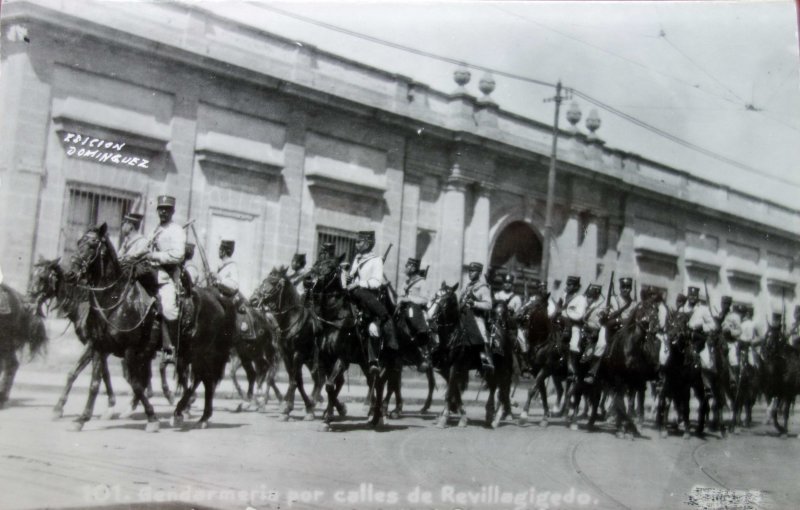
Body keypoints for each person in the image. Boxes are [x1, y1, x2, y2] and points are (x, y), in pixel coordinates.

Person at [345, 230, 397, 373]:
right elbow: (351, 277)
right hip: (353, 294)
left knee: (372, 328)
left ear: (368, 243)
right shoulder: (357, 258)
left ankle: (373, 360)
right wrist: (349, 278)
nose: (356, 244)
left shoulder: (376, 260)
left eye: (359, 242)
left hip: (368, 297)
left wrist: (359, 283)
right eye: (356, 241)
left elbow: (376, 282)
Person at [146, 195, 186, 362]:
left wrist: (154, 255)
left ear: (172, 211)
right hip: (149, 274)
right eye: (161, 208)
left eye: (167, 209)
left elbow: (178, 255)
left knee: (168, 308)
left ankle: (172, 348)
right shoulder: (154, 230)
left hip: (167, 276)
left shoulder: (176, 230)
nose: (163, 211)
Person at [397, 257, 433, 371]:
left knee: (413, 316)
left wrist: (409, 299)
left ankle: (423, 353)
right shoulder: (405, 282)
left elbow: (425, 300)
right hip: (403, 311)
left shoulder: (422, 282)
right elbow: (400, 296)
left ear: (413, 268)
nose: (406, 268)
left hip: (417, 312)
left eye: (408, 266)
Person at [460, 262, 494, 372]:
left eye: (473, 271)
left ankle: (486, 360)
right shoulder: (466, 287)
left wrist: (475, 304)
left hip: (476, 317)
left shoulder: (483, 288)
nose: (470, 273)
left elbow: (489, 305)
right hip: (463, 316)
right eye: (469, 271)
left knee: (482, 333)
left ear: (479, 273)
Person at [557, 275, 587, 379]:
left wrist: (566, 312)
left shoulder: (581, 299)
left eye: (571, 285)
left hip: (574, 325)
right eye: (568, 284)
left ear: (576, 287)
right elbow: (558, 308)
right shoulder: (564, 296)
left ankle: (571, 368)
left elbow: (579, 315)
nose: (568, 287)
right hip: (561, 324)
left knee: (574, 344)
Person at [581, 284, 604, 383]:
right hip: (583, 329)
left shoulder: (601, 305)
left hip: (594, 332)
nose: (589, 298)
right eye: (588, 296)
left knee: (597, 348)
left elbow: (600, 323)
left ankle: (592, 372)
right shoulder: (585, 303)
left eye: (591, 296)